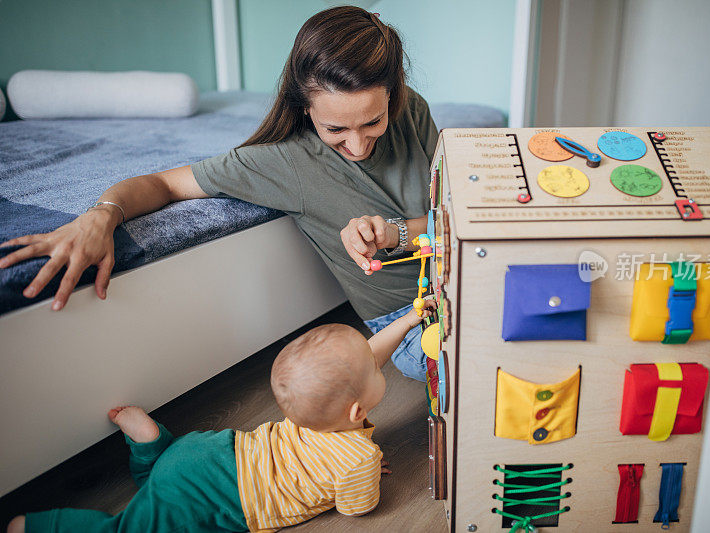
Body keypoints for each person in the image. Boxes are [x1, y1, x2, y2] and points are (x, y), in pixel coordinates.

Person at [0, 6, 437, 382]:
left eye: (372, 123)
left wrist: (395, 232)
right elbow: (163, 184)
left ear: (392, 95)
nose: (359, 145)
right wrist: (102, 214)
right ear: (304, 107)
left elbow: (450, 214)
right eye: (335, 130)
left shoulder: (410, 108)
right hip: (406, 320)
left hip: (456, 280)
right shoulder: (281, 163)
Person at [7, 300, 436, 533]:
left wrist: (414, 317)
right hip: (228, 497)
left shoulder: (316, 411)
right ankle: (33, 526)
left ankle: (154, 448)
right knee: (129, 528)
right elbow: (358, 510)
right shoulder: (357, 458)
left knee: (163, 485)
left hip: (209, 452)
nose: (380, 362)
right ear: (357, 411)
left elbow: (367, 357)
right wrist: (369, 476)